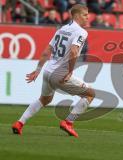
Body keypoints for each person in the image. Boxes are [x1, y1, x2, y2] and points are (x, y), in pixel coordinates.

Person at [12, 4, 95, 138]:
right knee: (90, 94)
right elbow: (74, 51)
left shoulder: (61, 29)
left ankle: (19, 123)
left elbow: (46, 52)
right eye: (85, 15)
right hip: (60, 74)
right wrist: (69, 71)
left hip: (48, 71)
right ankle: (68, 122)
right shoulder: (81, 32)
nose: (87, 17)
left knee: (44, 99)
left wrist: (37, 70)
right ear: (78, 16)